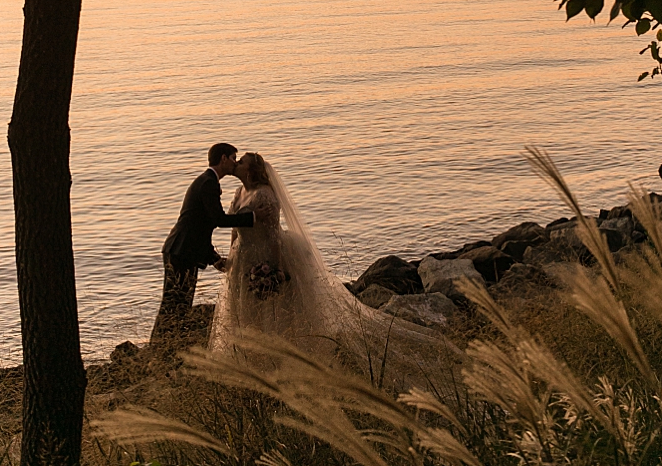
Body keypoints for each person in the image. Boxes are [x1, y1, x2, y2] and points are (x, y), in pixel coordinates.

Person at [209, 152, 458, 393]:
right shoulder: (239, 192)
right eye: (236, 160)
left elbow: (273, 234)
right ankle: (247, 362)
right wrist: (231, 259)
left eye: (241, 161)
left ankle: (276, 364)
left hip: (263, 258)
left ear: (252, 170)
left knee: (270, 312)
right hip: (243, 257)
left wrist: (273, 270)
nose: (237, 163)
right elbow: (234, 226)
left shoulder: (266, 196)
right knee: (244, 309)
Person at [151, 142, 256, 343]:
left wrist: (214, 259)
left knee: (177, 302)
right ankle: (160, 346)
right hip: (181, 250)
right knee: (175, 303)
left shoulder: (207, 181)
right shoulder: (209, 183)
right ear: (223, 159)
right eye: (233, 158)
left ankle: (164, 345)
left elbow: (201, 228)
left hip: (183, 249)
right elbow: (218, 219)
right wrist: (252, 217)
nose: (235, 163)